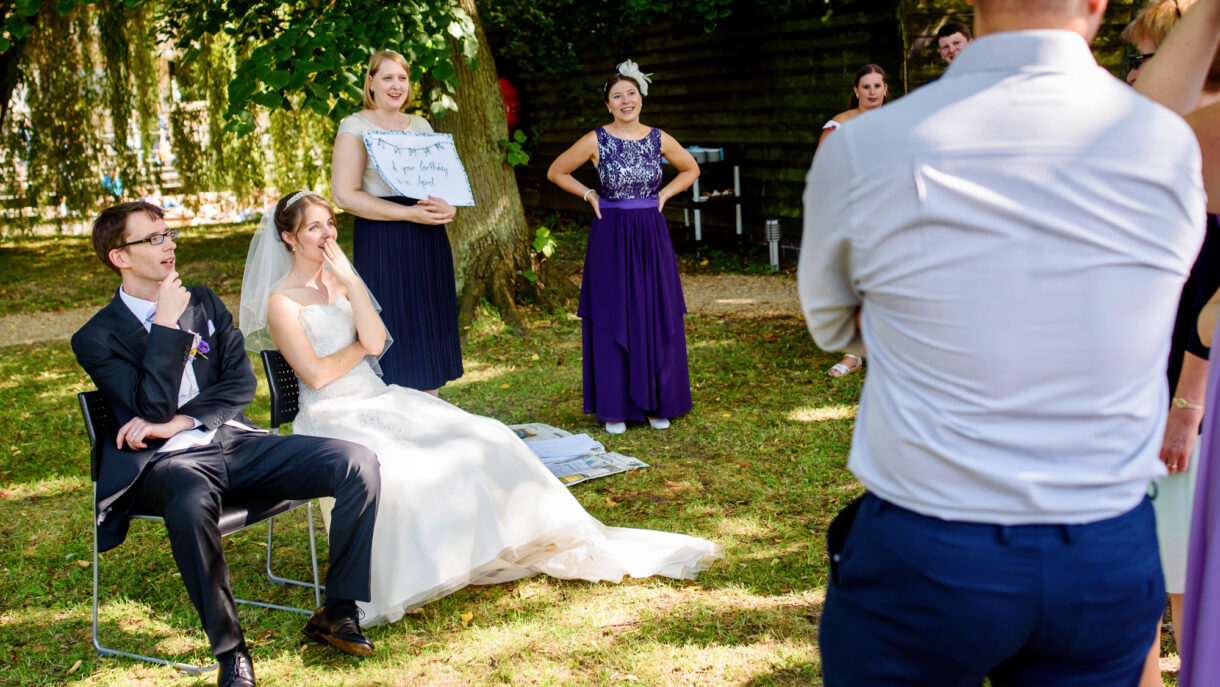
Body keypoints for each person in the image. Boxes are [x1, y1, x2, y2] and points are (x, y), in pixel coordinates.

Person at [799, 0, 1207, 684]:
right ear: (1098, 6)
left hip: (925, 548)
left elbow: (833, 324)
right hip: (1102, 546)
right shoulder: (1168, 146)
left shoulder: (865, 145)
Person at [238, 190, 722, 627]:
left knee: (487, 434)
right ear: (288, 237)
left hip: (378, 395)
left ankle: (503, 538)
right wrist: (361, 349)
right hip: (332, 413)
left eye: (329, 223)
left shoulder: (341, 282)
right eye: (314, 227)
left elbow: (379, 338)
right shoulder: (282, 301)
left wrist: (353, 285)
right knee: (405, 464)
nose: (327, 234)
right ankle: (413, 570)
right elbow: (318, 375)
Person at [72, 201, 382, 687]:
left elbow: (240, 385)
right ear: (120, 257)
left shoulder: (205, 302)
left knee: (356, 462)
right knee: (192, 502)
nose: (169, 244)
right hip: (166, 465)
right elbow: (149, 408)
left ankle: (339, 611)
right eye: (152, 239)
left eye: (168, 234)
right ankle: (231, 653)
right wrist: (166, 327)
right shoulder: (96, 337)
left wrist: (182, 420)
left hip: (233, 441)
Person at [1123, 2, 1220, 683]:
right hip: (1145, 372)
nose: (1140, 70)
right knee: (1146, 565)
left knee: (1181, 561)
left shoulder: (1200, 132)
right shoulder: (1169, 135)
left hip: (1188, 383)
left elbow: (1214, 291)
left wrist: (1187, 399)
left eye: (1152, 53)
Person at [545, 60, 700, 435]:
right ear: (609, 105)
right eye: (617, 96)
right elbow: (556, 171)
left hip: (651, 232)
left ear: (641, 98)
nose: (626, 100)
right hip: (610, 234)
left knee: (653, 310)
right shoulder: (596, 139)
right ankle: (615, 406)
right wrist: (588, 194)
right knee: (614, 311)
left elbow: (691, 169)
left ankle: (656, 402)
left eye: (631, 93)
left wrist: (663, 194)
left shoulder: (658, 138)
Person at [331, 49, 459, 395]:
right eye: (387, 77)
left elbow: (440, 184)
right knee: (394, 323)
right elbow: (344, 195)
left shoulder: (420, 126)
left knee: (428, 323)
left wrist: (447, 207)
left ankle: (432, 407)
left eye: (402, 78)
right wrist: (407, 213)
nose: (396, 85)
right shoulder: (355, 126)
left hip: (428, 239)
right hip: (384, 237)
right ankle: (393, 411)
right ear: (370, 82)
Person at [817, 63, 889, 378]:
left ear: (886, 89)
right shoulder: (839, 126)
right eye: (866, 86)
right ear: (856, 91)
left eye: (878, 85)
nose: (872, 92)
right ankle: (854, 353)